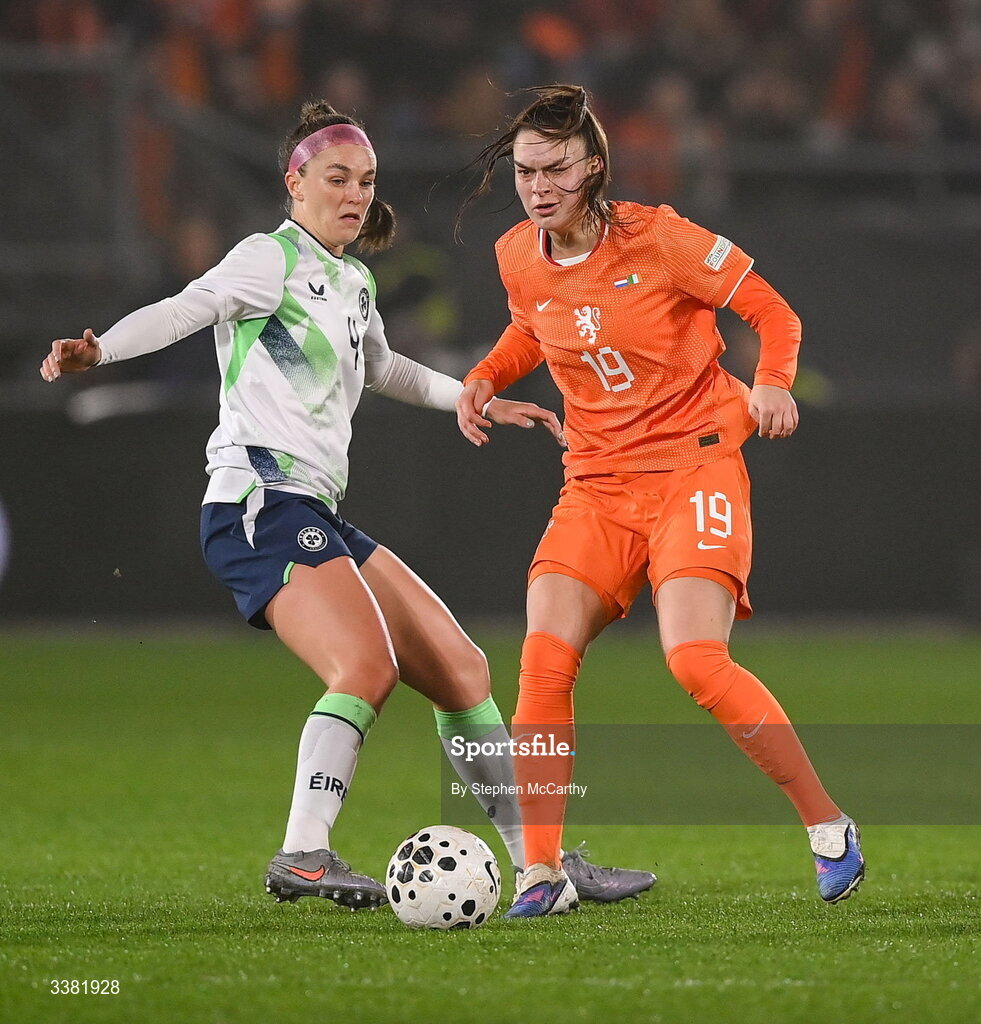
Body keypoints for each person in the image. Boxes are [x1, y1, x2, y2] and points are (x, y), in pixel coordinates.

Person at [40, 100, 654, 910]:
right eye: (337, 177)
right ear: (295, 182)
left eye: (365, 179)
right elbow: (187, 308)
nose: (355, 193)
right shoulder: (269, 259)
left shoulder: (352, 279)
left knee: (463, 671)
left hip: (315, 510)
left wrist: (476, 394)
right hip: (258, 502)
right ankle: (303, 852)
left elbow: (387, 370)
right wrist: (102, 348)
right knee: (363, 666)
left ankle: (538, 861)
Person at [455, 85, 865, 918]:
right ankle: (540, 871)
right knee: (541, 659)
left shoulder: (662, 238)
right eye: (524, 170)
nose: (536, 186)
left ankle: (827, 826)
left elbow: (770, 311)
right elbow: (536, 325)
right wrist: (486, 375)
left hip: (693, 468)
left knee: (693, 662)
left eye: (554, 169)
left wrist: (773, 385)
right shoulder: (516, 255)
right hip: (596, 484)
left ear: (593, 166)